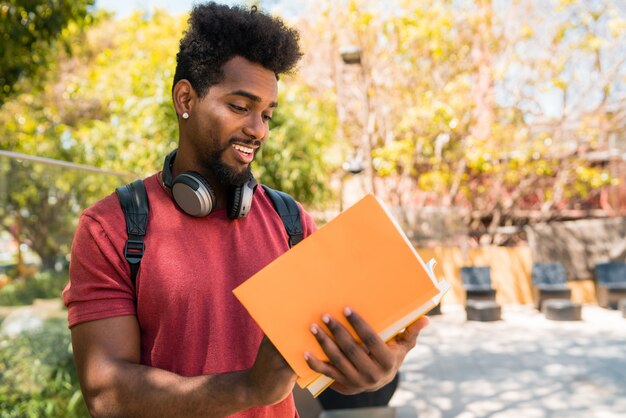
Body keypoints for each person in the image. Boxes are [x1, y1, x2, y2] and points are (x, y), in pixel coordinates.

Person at [62, 3, 429, 417]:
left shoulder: (291, 222)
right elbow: (106, 394)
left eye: (267, 114)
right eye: (240, 107)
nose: (258, 130)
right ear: (185, 98)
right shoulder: (110, 228)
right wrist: (249, 388)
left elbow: (326, 363)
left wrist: (375, 371)